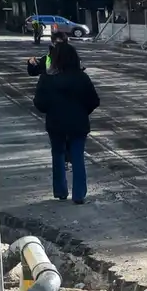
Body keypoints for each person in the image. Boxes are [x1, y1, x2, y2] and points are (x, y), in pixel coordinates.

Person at [32, 41, 100, 204]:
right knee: (77, 156)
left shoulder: (47, 79)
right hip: (78, 123)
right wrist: (83, 112)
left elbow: (39, 102)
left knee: (58, 154)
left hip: (55, 123)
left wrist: (52, 110)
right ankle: (79, 194)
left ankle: (60, 191)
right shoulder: (82, 77)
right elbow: (94, 100)